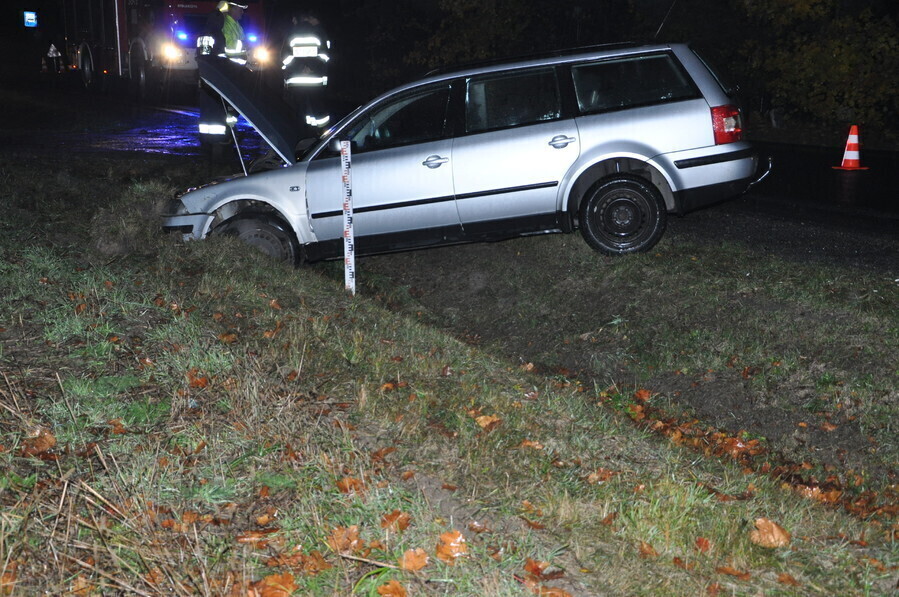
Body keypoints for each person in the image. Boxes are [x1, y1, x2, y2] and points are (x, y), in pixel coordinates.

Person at [197, 1, 247, 141]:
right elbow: (220, 54)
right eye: (240, 9)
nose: (242, 12)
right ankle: (222, 138)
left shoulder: (211, 33)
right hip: (224, 74)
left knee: (219, 108)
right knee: (222, 107)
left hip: (223, 74)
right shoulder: (219, 33)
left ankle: (221, 136)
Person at [280, 11, 331, 130]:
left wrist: (299, 67)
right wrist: (311, 67)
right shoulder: (318, 32)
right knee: (318, 110)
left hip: (296, 81)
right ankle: (324, 136)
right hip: (315, 80)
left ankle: (299, 136)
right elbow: (324, 55)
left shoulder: (290, 34)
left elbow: (284, 57)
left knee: (299, 111)